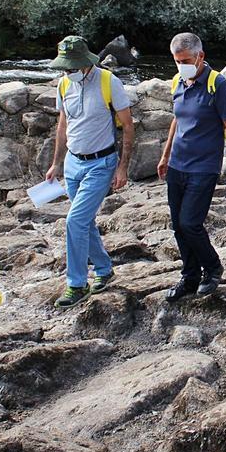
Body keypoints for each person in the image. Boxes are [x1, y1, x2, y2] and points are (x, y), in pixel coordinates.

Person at [46, 36, 135, 308]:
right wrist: (56, 163)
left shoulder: (110, 82)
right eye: (64, 67)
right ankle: (105, 270)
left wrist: (122, 167)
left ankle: (76, 283)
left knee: (75, 221)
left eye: (72, 67)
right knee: (84, 222)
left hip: (101, 164)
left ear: (86, 62)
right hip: (73, 163)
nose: (67, 72)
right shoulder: (63, 84)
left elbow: (128, 127)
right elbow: (63, 125)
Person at [158, 33, 226, 302]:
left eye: (185, 60)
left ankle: (213, 267)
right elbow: (177, 119)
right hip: (177, 165)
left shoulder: (218, 85)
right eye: (176, 61)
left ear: (200, 56)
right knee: (178, 225)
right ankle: (190, 276)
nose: (181, 65)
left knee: (190, 223)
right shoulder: (177, 82)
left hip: (204, 167)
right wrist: (165, 155)